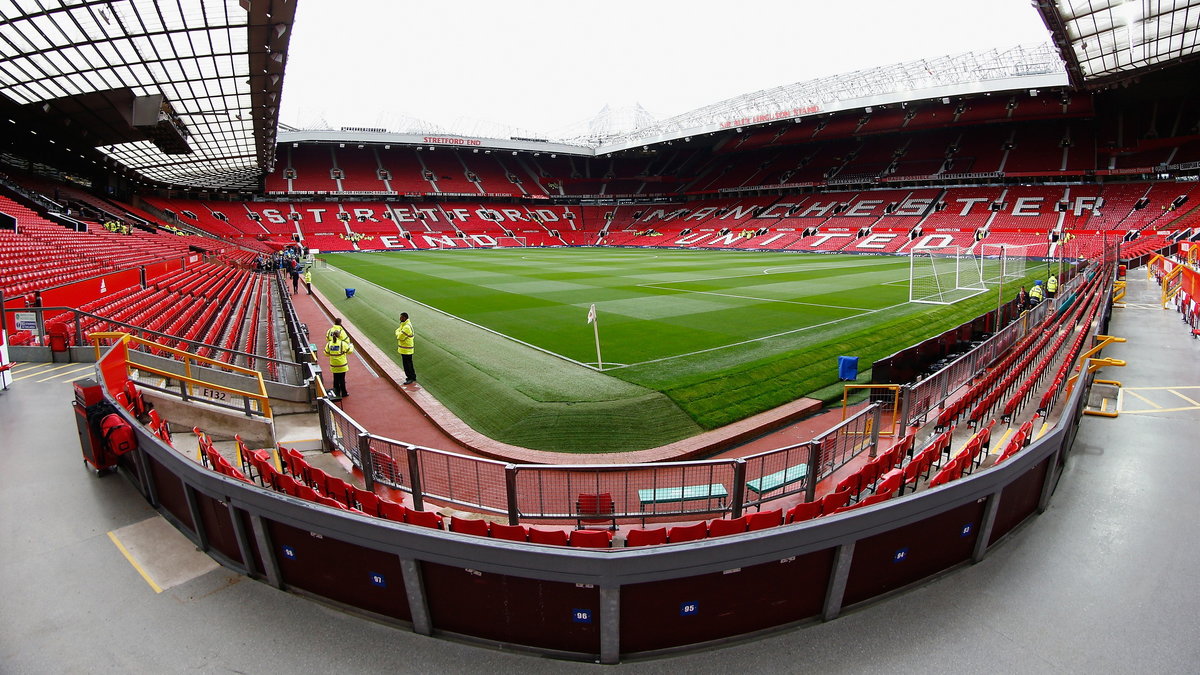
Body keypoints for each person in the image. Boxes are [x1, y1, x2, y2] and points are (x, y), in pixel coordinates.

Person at [323, 329, 353, 399]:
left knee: (335, 378)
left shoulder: (329, 344)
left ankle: (336, 392)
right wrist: (351, 346)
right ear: (339, 336)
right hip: (342, 365)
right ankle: (344, 393)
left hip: (333, 365)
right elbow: (350, 351)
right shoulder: (343, 344)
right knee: (342, 379)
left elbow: (326, 353)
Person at [395, 312, 416, 384]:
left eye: (401, 317)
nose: (400, 318)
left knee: (407, 364)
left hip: (407, 349)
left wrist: (398, 333)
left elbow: (400, 337)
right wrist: (398, 332)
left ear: (404, 317)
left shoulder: (406, 327)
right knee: (407, 363)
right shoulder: (404, 325)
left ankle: (411, 378)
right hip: (405, 349)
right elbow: (398, 330)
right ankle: (411, 376)